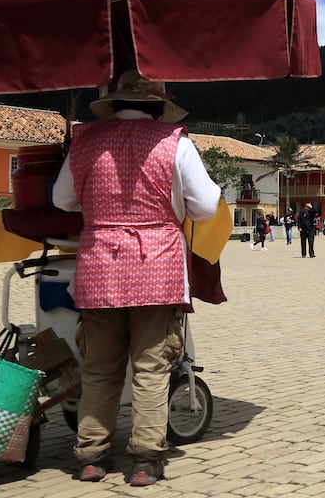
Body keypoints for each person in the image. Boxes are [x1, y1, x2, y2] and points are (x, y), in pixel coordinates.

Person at [50, 70, 220, 487]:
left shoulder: (85, 141)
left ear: (114, 103)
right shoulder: (174, 143)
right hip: (156, 267)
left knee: (100, 368)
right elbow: (206, 205)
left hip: (99, 266)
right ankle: (145, 461)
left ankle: (91, 456)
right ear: (159, 106)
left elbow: (61, 200)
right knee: (150, 367)